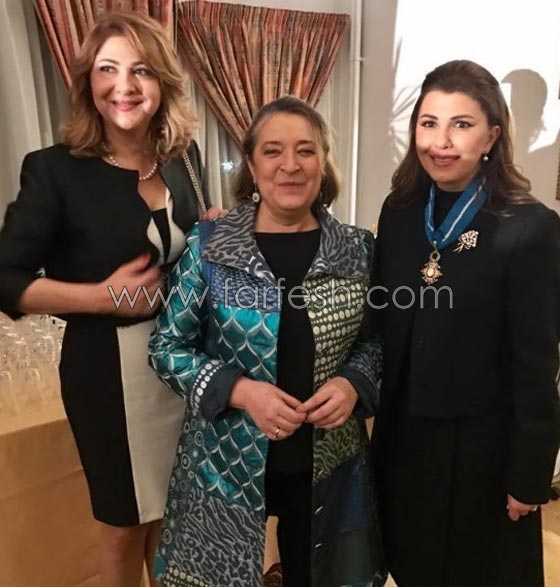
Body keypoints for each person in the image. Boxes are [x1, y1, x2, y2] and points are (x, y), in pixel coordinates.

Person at [0, 11, 223, 587]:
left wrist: (210, 235)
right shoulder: (54, 171)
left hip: (182, 363)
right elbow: (6, 278)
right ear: (87, 81)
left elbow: (182, 257)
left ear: (163, 82)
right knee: (124, 524)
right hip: (109, 374)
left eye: (141, 70)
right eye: (107, 69)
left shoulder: (183, 158)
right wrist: (100, 297)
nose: (124, 85)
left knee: (173, 515)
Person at [148, 96, 386, 587]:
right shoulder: (210, 245)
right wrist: (239, 390)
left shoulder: (358, 250)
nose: (290, 165)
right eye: (273, 151)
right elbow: (167, 347)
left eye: (306, 150)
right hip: (225, 461)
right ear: (252, 166)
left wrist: (352, 383)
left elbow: (376, 341)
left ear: (323, 163)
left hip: (328, 461)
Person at [371, 60, 560, 587]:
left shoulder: (529, 227)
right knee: (412, 569)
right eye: (428, 123)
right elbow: (382, 321)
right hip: (405, 442)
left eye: (461, 124)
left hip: (485, 451)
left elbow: (536, 364)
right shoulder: (401, 211)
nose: (441, 142)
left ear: (492, 136)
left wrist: (530, 474)